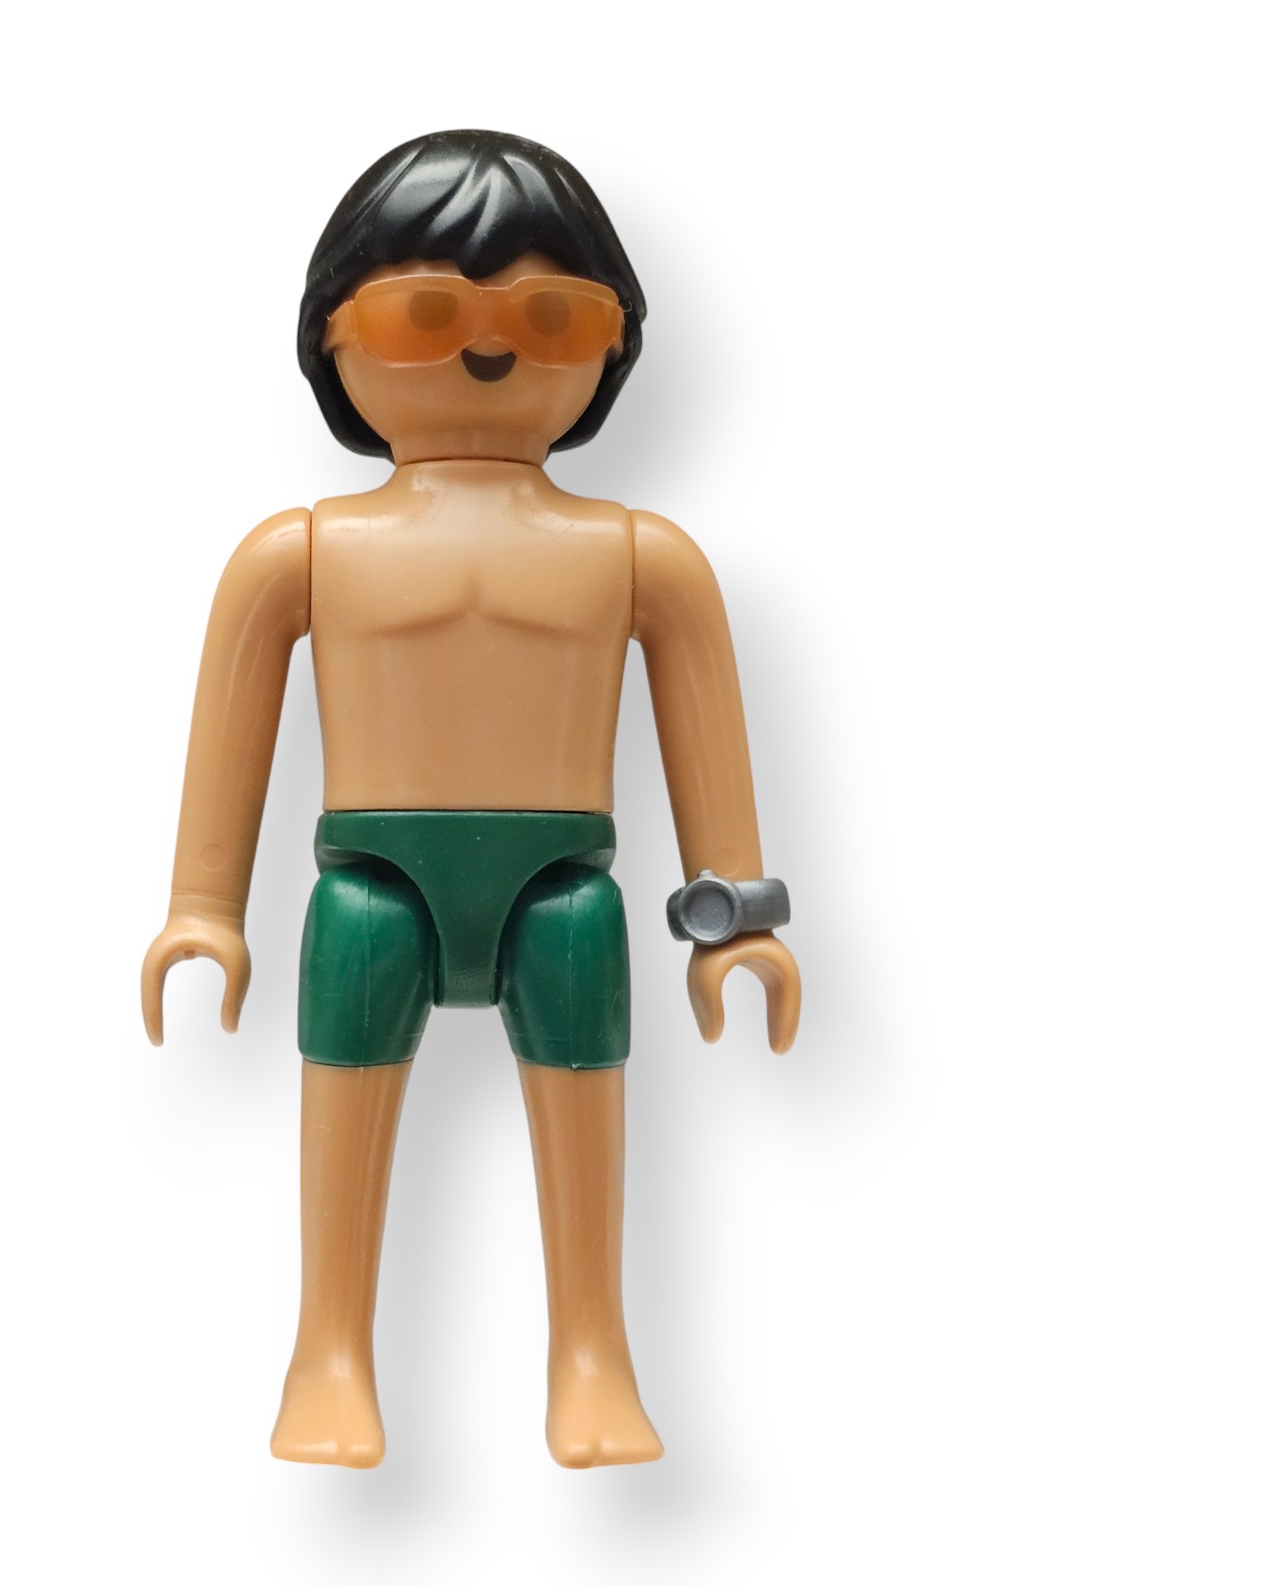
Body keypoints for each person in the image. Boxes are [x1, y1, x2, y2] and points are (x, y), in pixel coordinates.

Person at [141, 129, 800, 1469]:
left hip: (564, 887)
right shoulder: (299, 552)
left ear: (611, 346)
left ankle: (594, 1351)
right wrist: (201, 909)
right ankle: (326, 1352)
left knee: (584, 1092)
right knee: (343, 1093)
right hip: (370, 882)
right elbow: (230, 737)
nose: (489, 349)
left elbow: (708, 742)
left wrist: (736, 921)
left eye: (551, 317)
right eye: (427, 315)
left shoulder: (642, 557)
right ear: (334, 338)